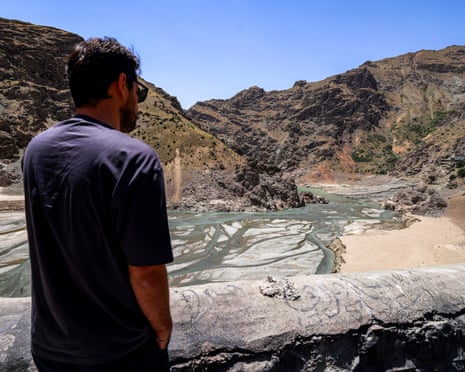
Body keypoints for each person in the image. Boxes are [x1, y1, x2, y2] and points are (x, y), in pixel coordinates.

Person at [22, 37, 173, 371]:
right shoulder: (135, 159)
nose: (138, 101)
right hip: (121, 354)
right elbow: (146, 272)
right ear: (122, 85)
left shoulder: (36, 151)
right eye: (139, 92)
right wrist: (163, 329)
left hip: (49, 350)